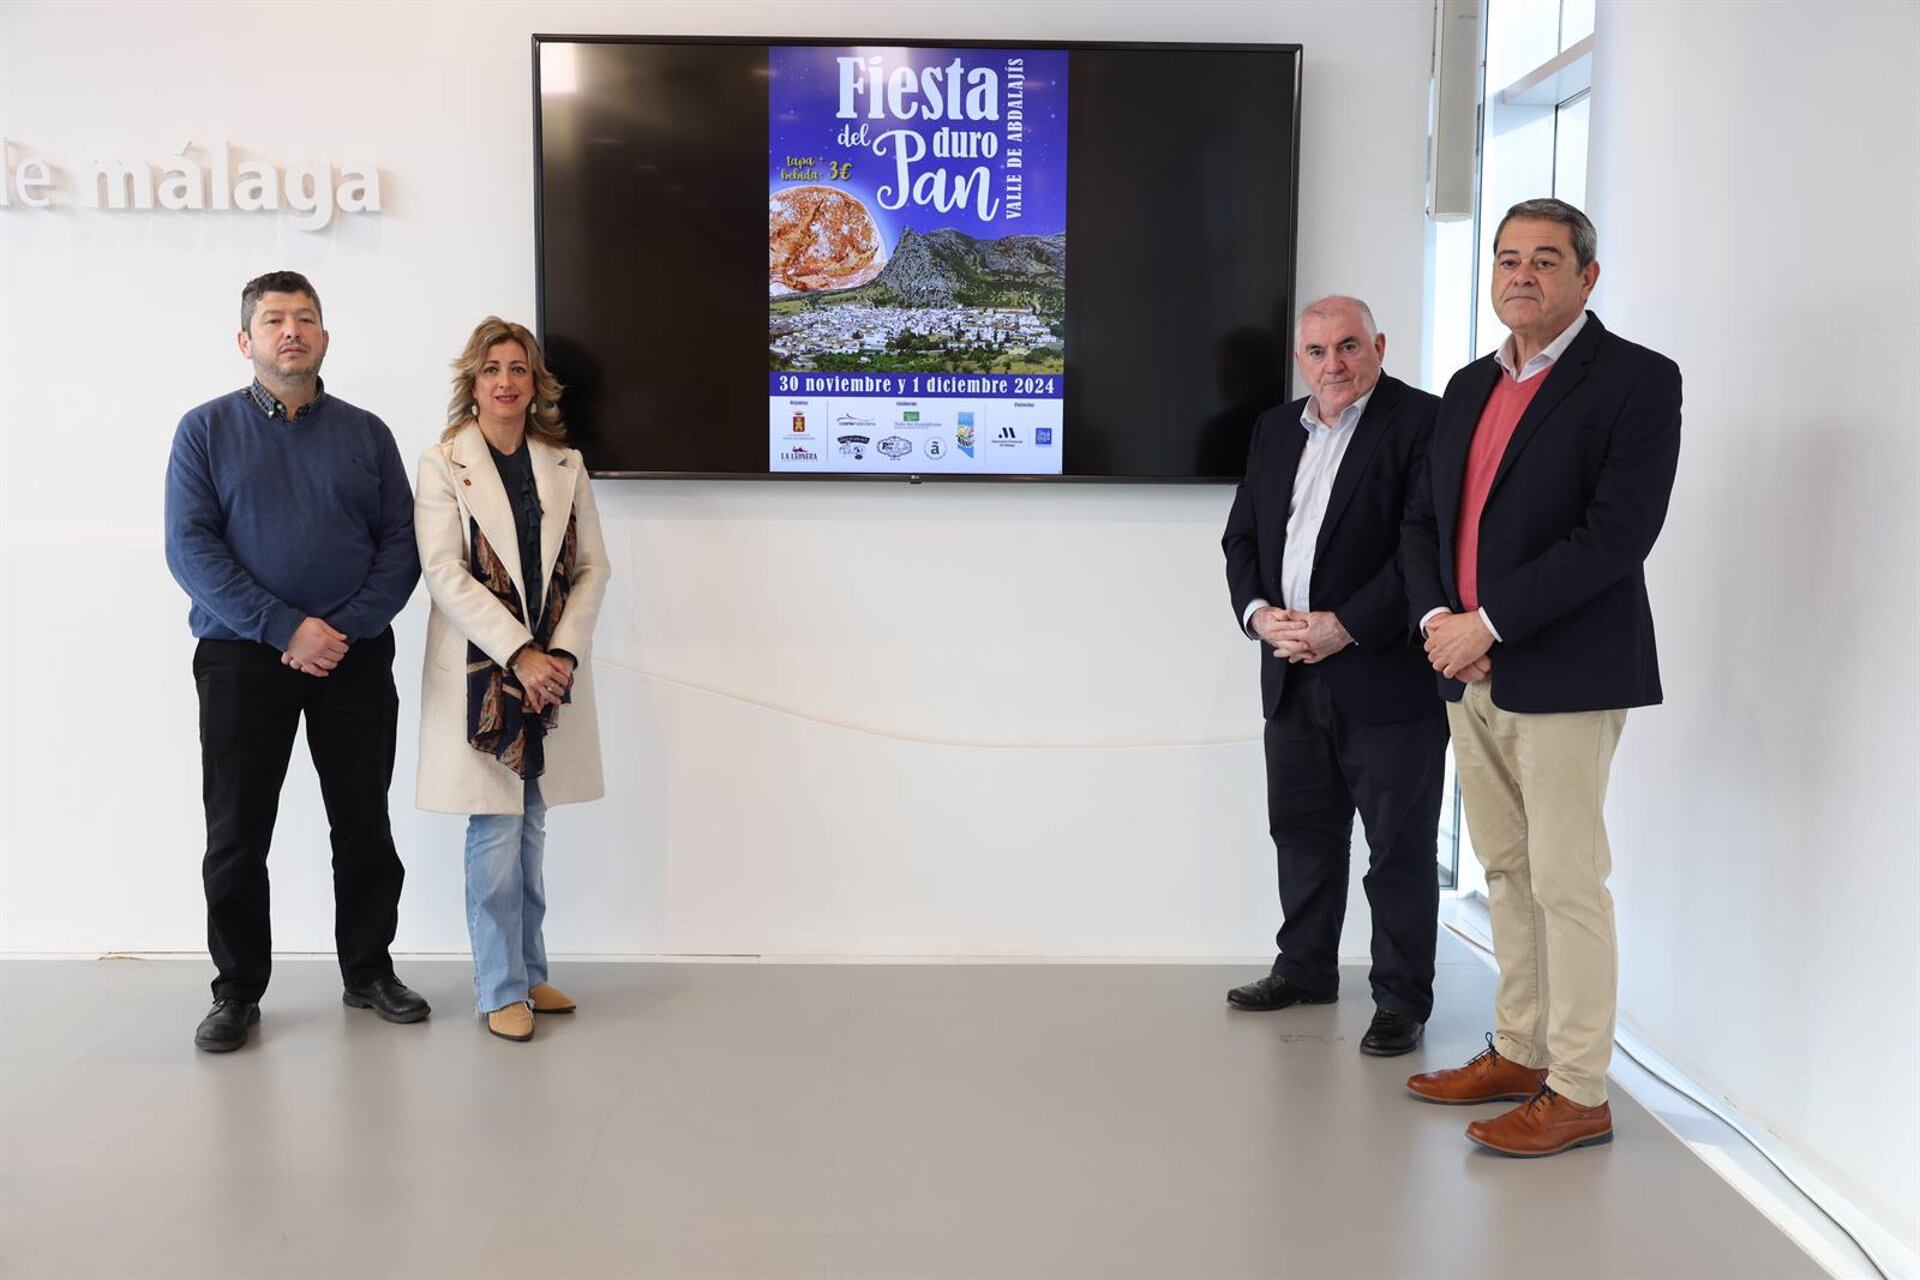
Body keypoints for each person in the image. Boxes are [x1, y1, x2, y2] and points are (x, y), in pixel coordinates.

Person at [1400, 199, 1682, 1155]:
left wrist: (1492, 622)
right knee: (1505, 871)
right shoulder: (1470, 384)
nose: (1523, 276)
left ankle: (1579, 1091)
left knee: (1568, 881)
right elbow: (1428, 522)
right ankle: (1519, 1050)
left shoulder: (1637, 380)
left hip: (1565, 668)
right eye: (1509, 259)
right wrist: (1442, 621)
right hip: (1465, 670)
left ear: (1587, 278)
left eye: (1546, 261)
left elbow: (1617, 534)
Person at [165, 270, 427, 1053]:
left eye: (305, 318)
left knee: (363, 821)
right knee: (238, 832)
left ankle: (369, 971)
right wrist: (285, 628)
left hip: (352, 656)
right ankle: (238, 992)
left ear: (324, 336)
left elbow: (401, 548)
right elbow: (191, 547)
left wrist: (335, 630)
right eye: (274, 320)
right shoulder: (204, 431)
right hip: (240, 658)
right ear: (246, 342)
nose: (291, 331)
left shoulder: (366, 433)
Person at [1221, 296, 1448, 1057]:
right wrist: (1259, 613)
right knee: (1303, 834)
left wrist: (1342, 625)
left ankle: (1400, 1000)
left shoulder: (1423, 423)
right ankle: (1306, 969)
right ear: (1300, 359)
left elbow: (1425, 552)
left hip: (1384, 676)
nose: (1334, 365)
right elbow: (1242, 537)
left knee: (1398, 848)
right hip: (1289, 670)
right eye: (1317, 351)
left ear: (1379, 346)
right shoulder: (1273, 429)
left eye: (1349, 347)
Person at [414, 317, 611, 1043]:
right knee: (495, 832)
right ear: (473, 381)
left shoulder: (565, 464)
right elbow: (444, 574)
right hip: (482, 675)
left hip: (548, 675)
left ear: (536, 385)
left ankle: (528, 973)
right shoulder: (443, 463)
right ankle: (498, 986)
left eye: (518, 369)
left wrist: (557, 657)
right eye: (492, 368)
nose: (505, 381)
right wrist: (521, 653)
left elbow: (592, 568)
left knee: (530, 829)